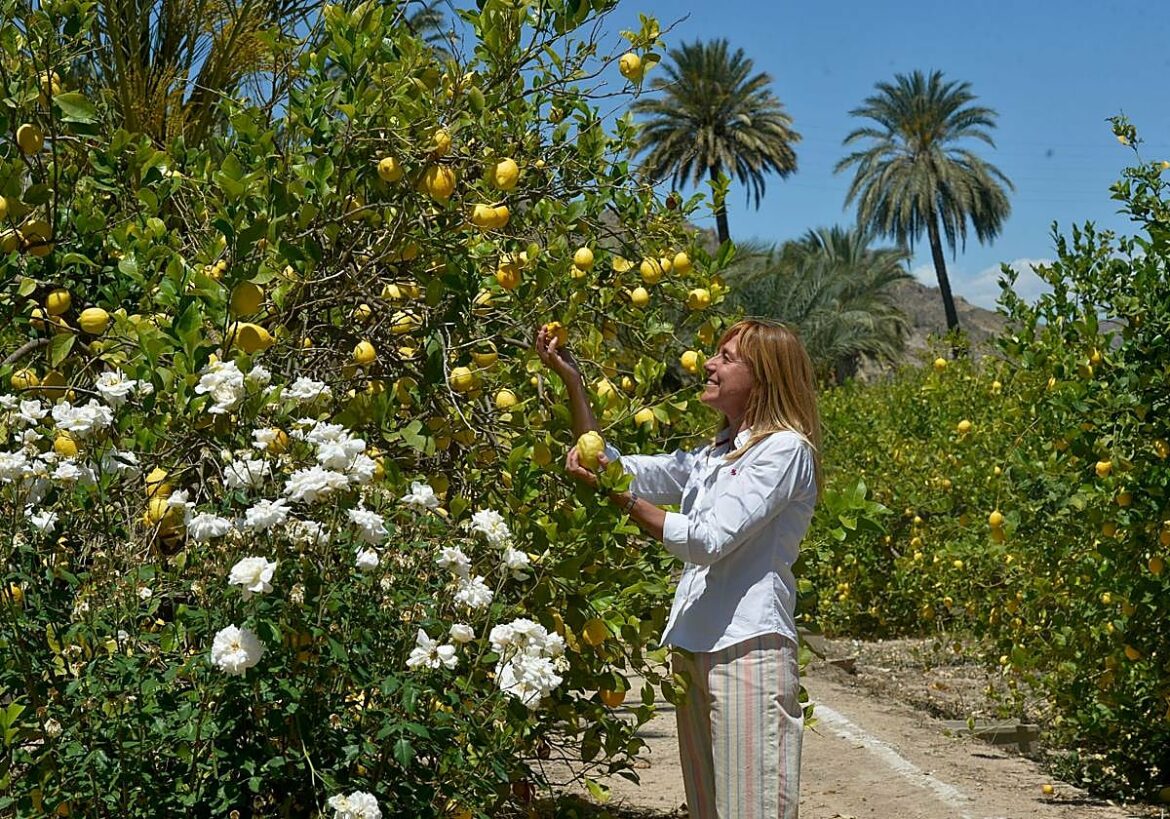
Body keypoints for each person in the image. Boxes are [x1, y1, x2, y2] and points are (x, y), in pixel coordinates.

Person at [535, 318, 822, 819]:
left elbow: (709, 540)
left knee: (752, 810)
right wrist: (572, 381)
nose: (709, 364)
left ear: (765, 377)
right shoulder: (712, 456)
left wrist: (621, 500)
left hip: (747, 653)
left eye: (727, 358)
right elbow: (613, 465)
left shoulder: (784, 450)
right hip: (694, 649)